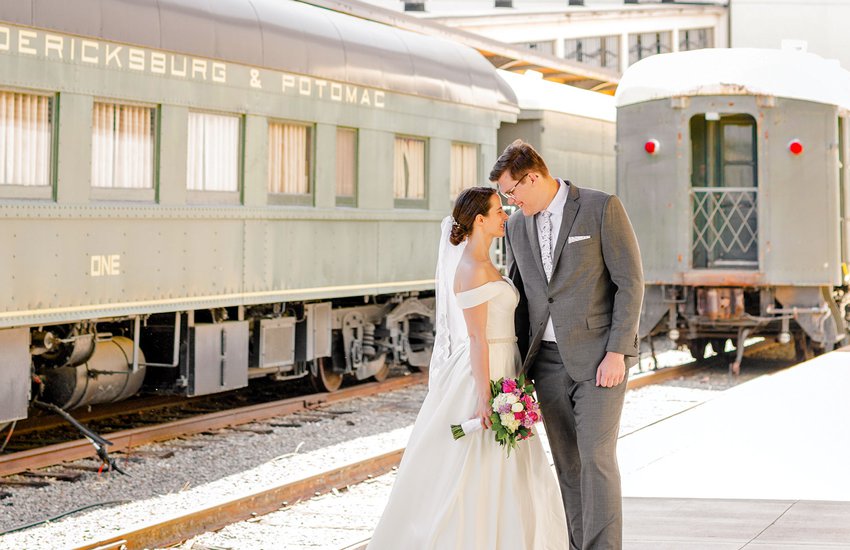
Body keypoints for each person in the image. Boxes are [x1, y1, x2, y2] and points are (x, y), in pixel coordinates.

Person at [368, 187, 568, 549]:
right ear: (480, 220)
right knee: (474, 461)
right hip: (486, 368)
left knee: (509, 461)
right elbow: (476, 338)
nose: (505, 216)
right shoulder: (472, 270)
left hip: (505, 364)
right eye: (498, 211)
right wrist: (482, 397)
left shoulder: (488, 263)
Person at [490, 139, 644, 550]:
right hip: (547, 365)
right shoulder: (519, 226)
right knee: (568, 464)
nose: (509, 202)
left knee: (596, 459)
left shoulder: (600, 207)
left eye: (511, 191)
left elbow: (629, 283)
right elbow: (520, 292)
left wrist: (618, 351)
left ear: (534, 177)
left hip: (599, 360)